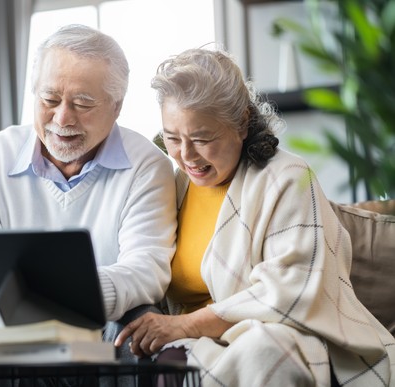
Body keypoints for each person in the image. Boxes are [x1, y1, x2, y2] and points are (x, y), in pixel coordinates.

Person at [114, 47, 395, 386]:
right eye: (172, 138)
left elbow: (292, 289)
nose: (186, 156)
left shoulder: (286, 177)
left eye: (202, 139)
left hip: (284, 336)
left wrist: (186, 325)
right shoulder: (171, 186)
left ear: (242, 123)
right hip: (190, 345)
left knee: (264, 349)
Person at [0, 24, 177, 362]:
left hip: (107, 319)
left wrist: (56, 295)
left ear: (116, 106)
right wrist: (28, 304)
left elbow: (145, 271)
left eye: (82, 103)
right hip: (8, 319)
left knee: (141, 328)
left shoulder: (148, 164)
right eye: (49, 100)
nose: (62, 118)